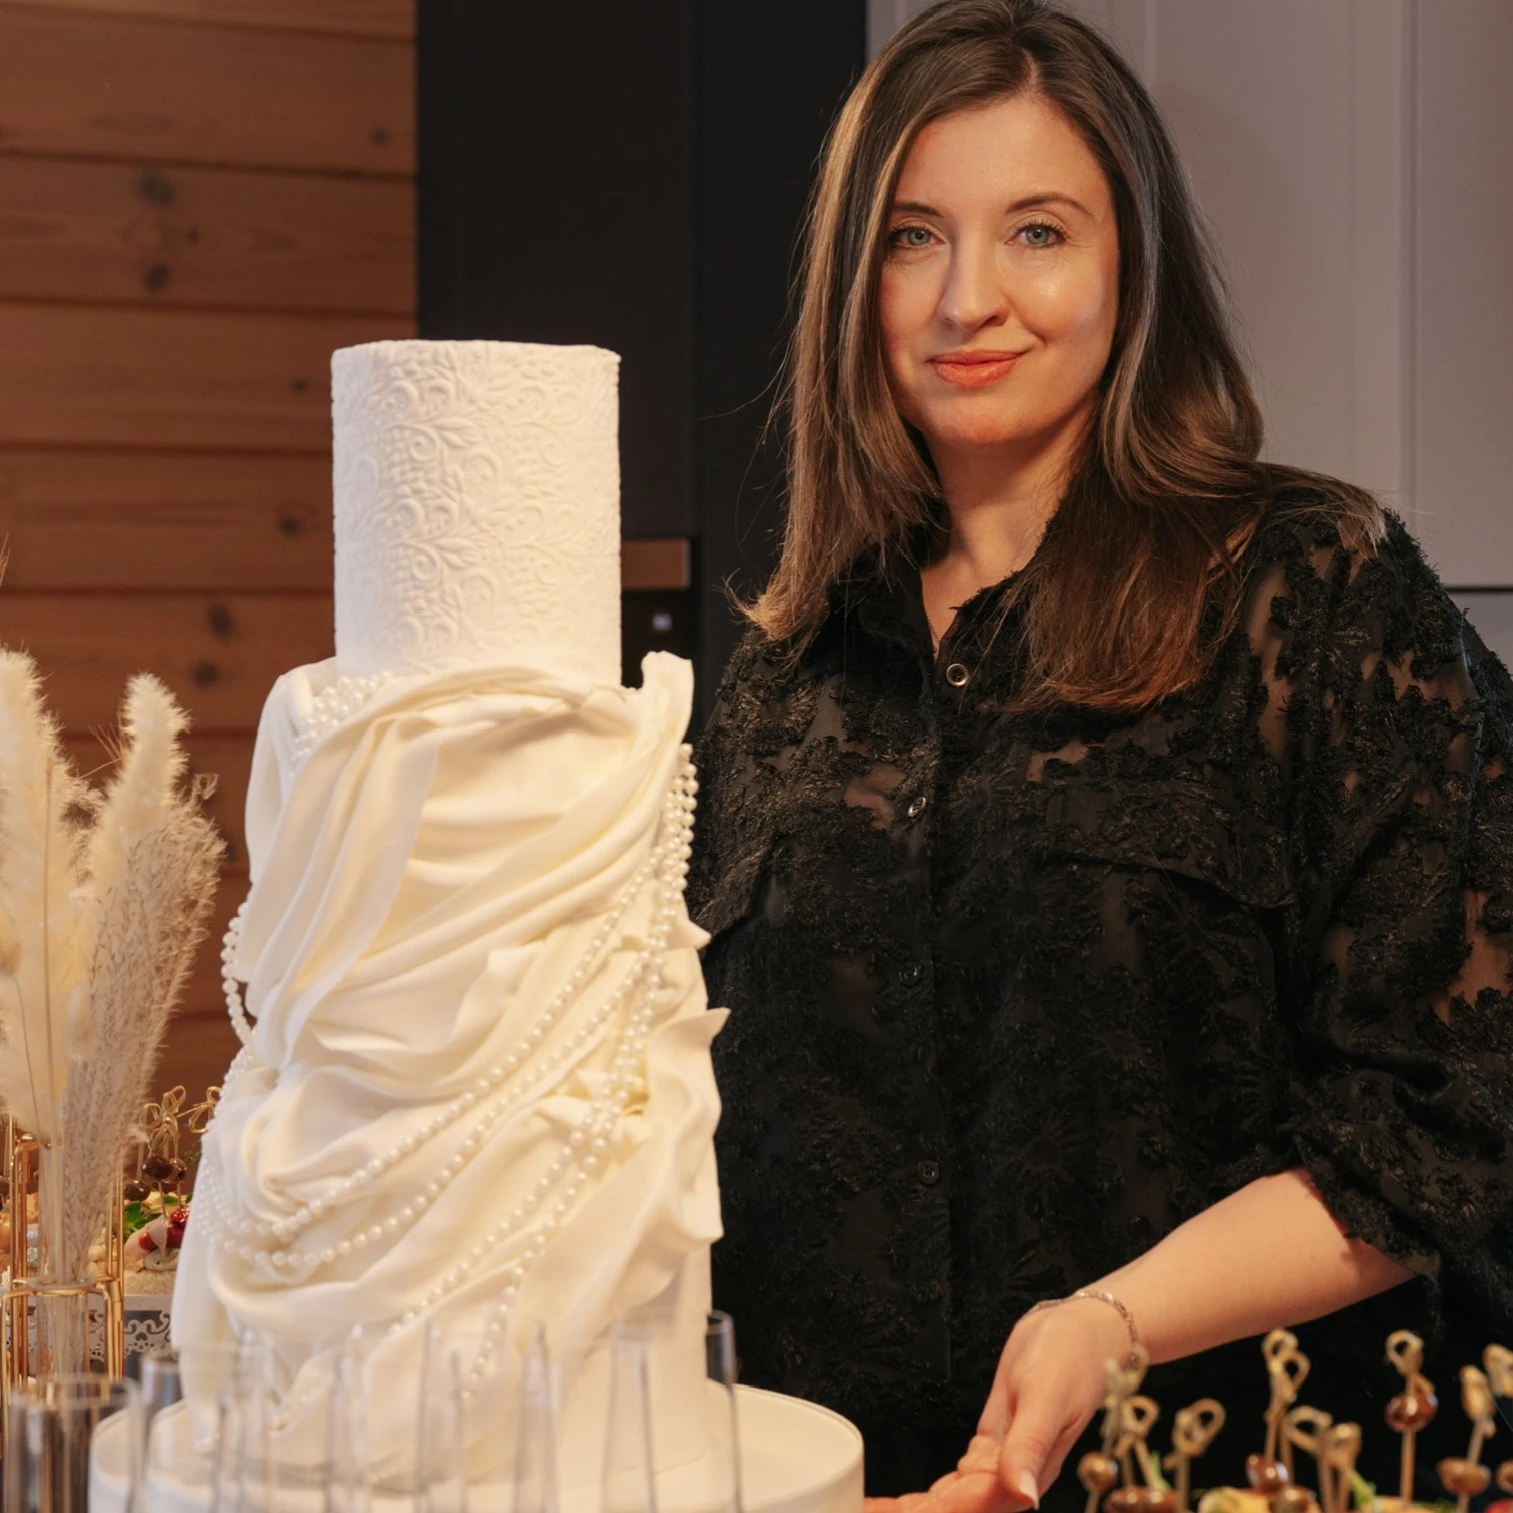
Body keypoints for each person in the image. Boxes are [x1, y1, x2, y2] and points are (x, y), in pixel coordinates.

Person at [684, 3, 1513, 1512]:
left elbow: (1449, 1114)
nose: (969, 299)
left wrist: (1113, 1323)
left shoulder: (1315, 590)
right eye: (913, 239)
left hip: (1233, 1473)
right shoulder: (784, 678)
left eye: (1039, 232)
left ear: (1134, 266)